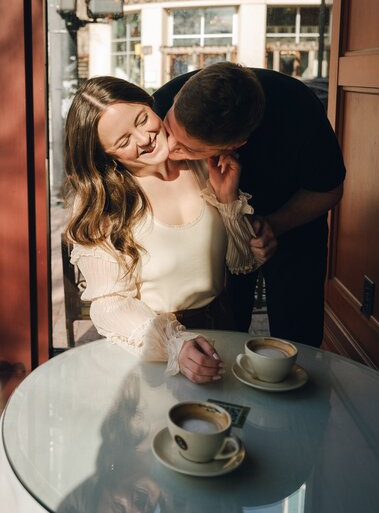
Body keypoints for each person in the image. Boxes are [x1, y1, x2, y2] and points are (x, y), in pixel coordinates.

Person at [64, 76, 260, 384]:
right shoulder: (105, 203)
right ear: (107, 156)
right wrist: (173, 343)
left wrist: (227, 201)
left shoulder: (201, 163)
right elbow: (109, 304)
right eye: (123, 141)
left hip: (225, 328)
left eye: (142, 120)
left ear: (150, 104)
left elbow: (241, 263)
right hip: (155, 347)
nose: (143, 139)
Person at [153, 62, 346, 347]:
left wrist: (274, 224)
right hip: (217, 223)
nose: (170, 148)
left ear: (236, 145)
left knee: (298, 335)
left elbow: (329, 189)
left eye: (189, 149)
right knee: (226, 331)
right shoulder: (163, 100)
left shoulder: (298, 111)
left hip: (293, 221)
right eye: (169, 129)